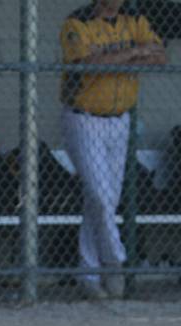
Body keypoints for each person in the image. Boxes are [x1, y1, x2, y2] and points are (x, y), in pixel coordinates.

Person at [60, 0, 166, 300]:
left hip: (121, 119)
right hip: (84, 118)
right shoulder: (77, 22)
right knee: (100, 196)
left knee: (105, 199)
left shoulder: (134, 19)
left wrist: (115, 59)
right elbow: (88, 65)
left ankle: (88, 273)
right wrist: (134, 52)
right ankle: (114, 261)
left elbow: (159, 56)